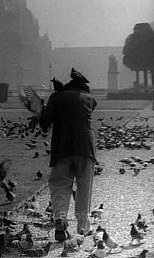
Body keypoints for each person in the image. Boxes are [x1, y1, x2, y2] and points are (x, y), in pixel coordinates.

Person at [39, 68, 97, 241]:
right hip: (85, 148)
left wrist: (43, 110)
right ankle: (82, 227)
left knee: (60, 186)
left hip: (62, 148)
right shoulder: (90, 99)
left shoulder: (56, 97)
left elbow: (44, 122)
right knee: (84, 188)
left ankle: (60, 220)